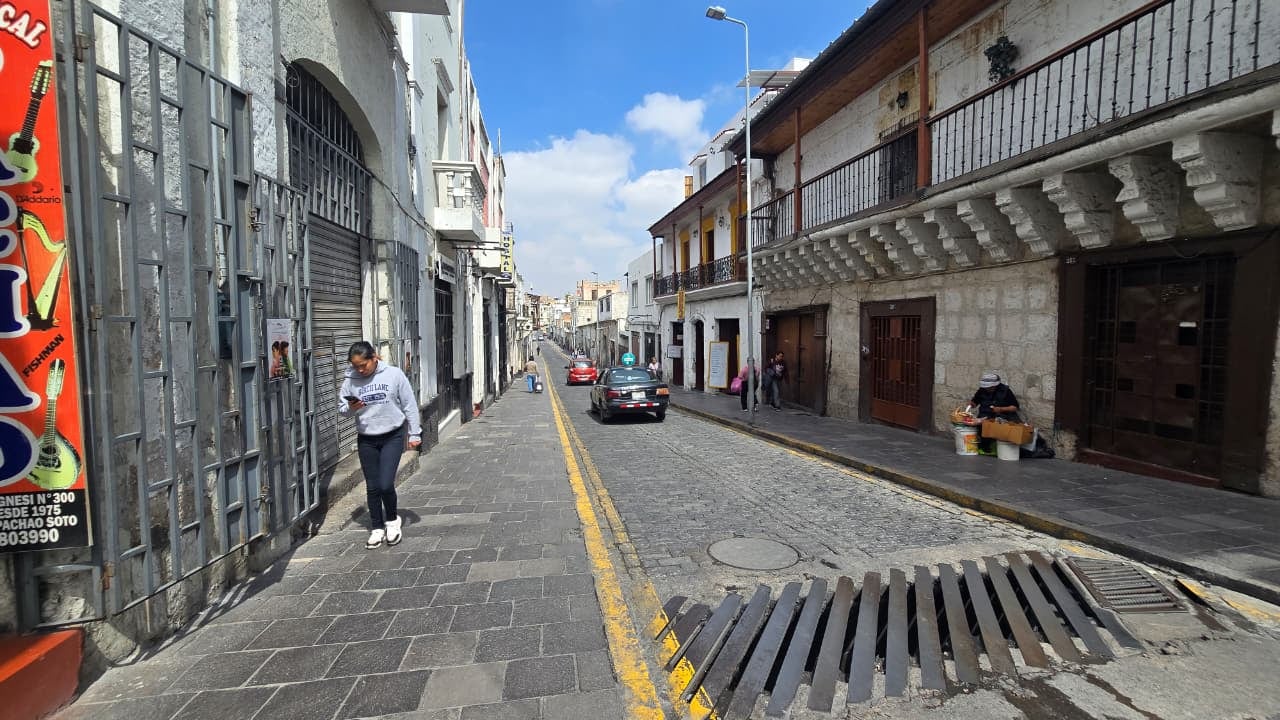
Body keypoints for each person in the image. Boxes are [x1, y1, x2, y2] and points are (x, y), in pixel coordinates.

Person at [339, 341, 422, 549]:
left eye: (363, 365)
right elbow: (343, 410)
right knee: (372, 486)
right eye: (355, 365)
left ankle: (393, 521)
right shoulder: (350, 380)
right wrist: (351, 407)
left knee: (386, 484)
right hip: (366, 437)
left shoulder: (393, 375)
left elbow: (409, 404)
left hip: (392, 435)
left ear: (374, 357)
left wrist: (415, 433)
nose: (359, 369)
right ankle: (376, 528)